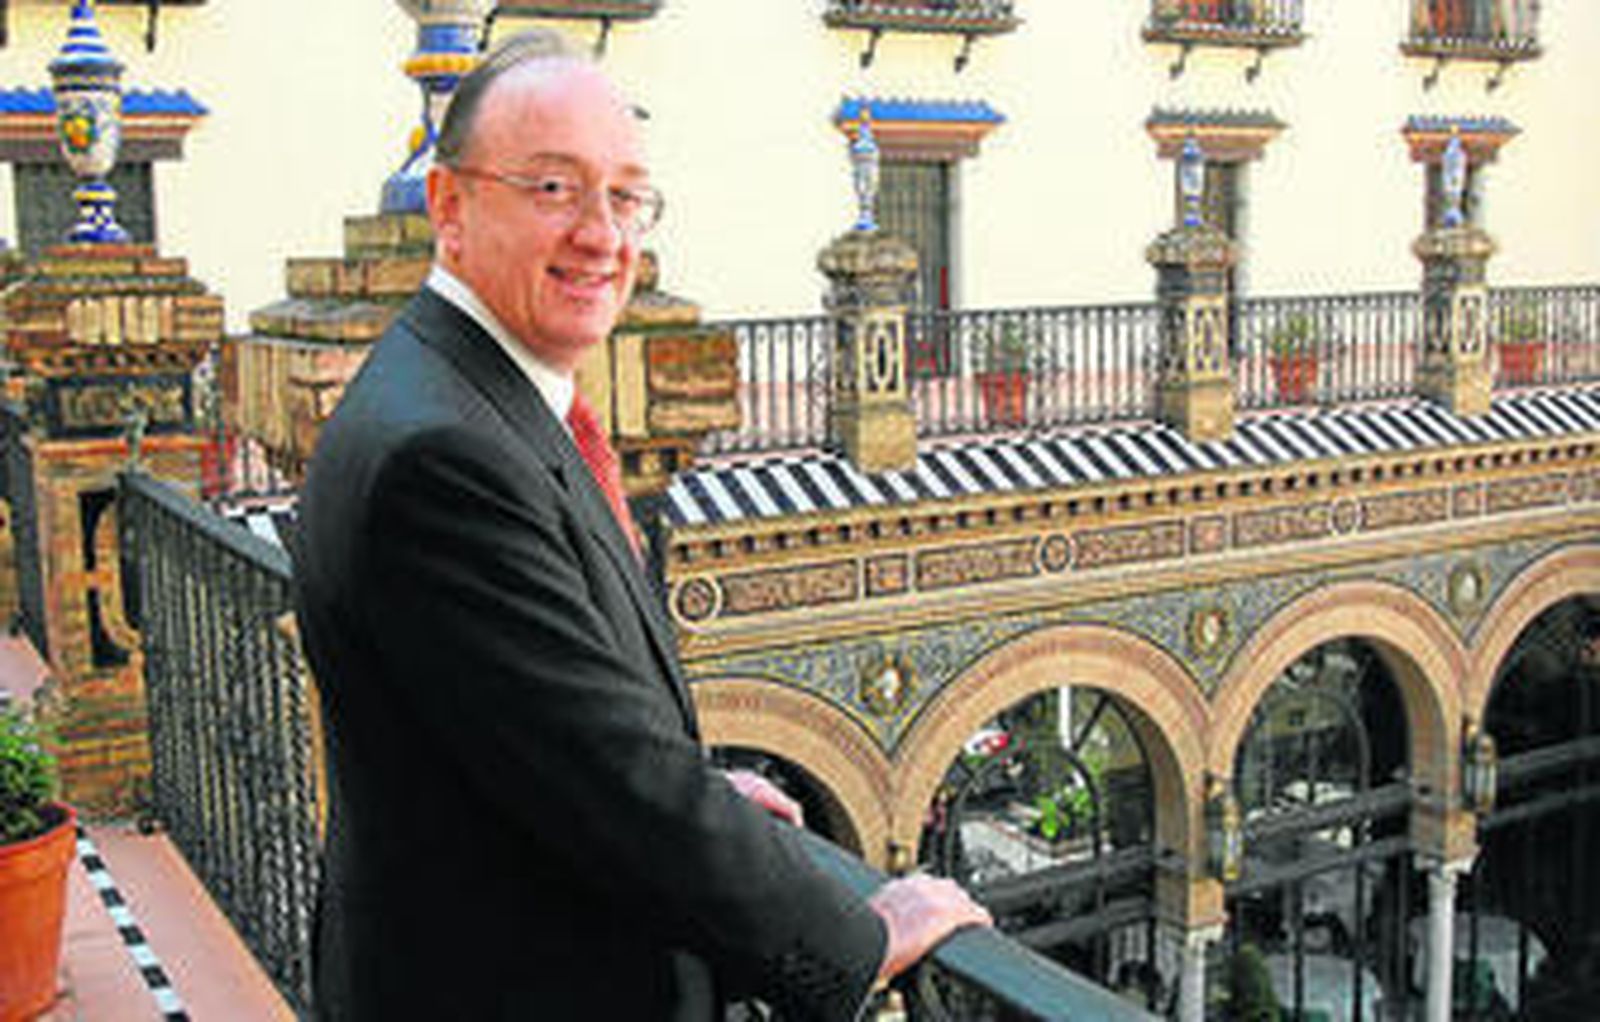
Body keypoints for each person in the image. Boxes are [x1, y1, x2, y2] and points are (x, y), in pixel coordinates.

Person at [291, 29, 990, 1021]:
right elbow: (617, 783)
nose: (601, 234)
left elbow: (544, 719)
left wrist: (699, 786)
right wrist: (863, 934)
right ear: (449, 205)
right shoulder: (443, 458)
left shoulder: (458, 391)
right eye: (553, 188)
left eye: (625, 195)